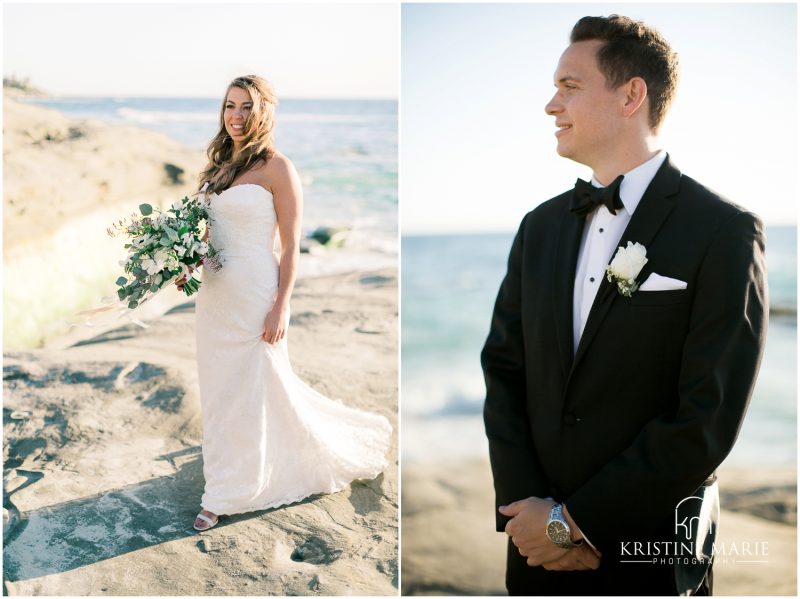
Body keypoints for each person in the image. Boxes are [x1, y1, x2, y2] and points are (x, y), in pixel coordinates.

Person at [481, 15, 767, 596]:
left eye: (569, 86)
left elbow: (707, 415)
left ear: (631, 94)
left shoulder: (723, 231)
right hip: (534, 552)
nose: (550, 105)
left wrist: (578, 524)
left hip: (649, 553)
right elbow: (504, 372)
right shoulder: (538, 228)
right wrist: (531, 517)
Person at [177, 74, 392, 532]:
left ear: (264, 113)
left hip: (257, 292)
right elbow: (209, 235)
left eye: (246, 108)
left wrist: (281, 306)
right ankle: (227, 474)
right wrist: (185, 265)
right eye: (230, 106)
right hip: (216, 297)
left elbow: (291, 246)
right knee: (219, 393)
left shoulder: (279, 168)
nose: (236, 116)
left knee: (256, 388)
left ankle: (225, 494)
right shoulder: (217, 168)